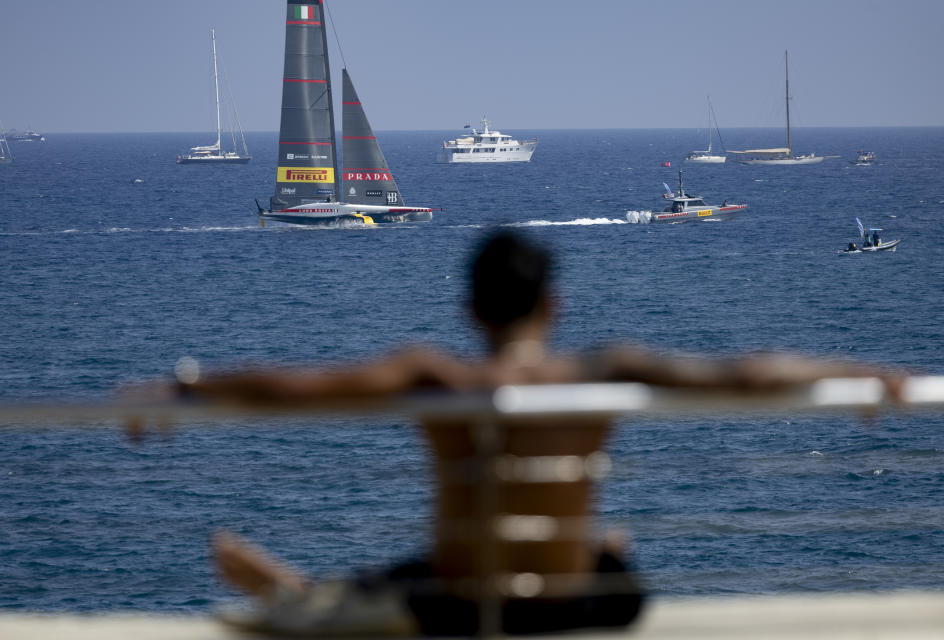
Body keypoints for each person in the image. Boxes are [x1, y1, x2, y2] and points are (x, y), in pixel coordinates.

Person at [155, 231, 899, 636]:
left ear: (470, 311)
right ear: (555, 305)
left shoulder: (437, 377)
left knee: (422, 573)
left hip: (462, 605)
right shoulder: (605, 369)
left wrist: (185, 383)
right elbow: (747, 375)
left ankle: (298, 592)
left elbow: (297, 388)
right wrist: (862, 368)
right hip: (573, 603)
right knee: (609, 564)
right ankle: (590, 547)